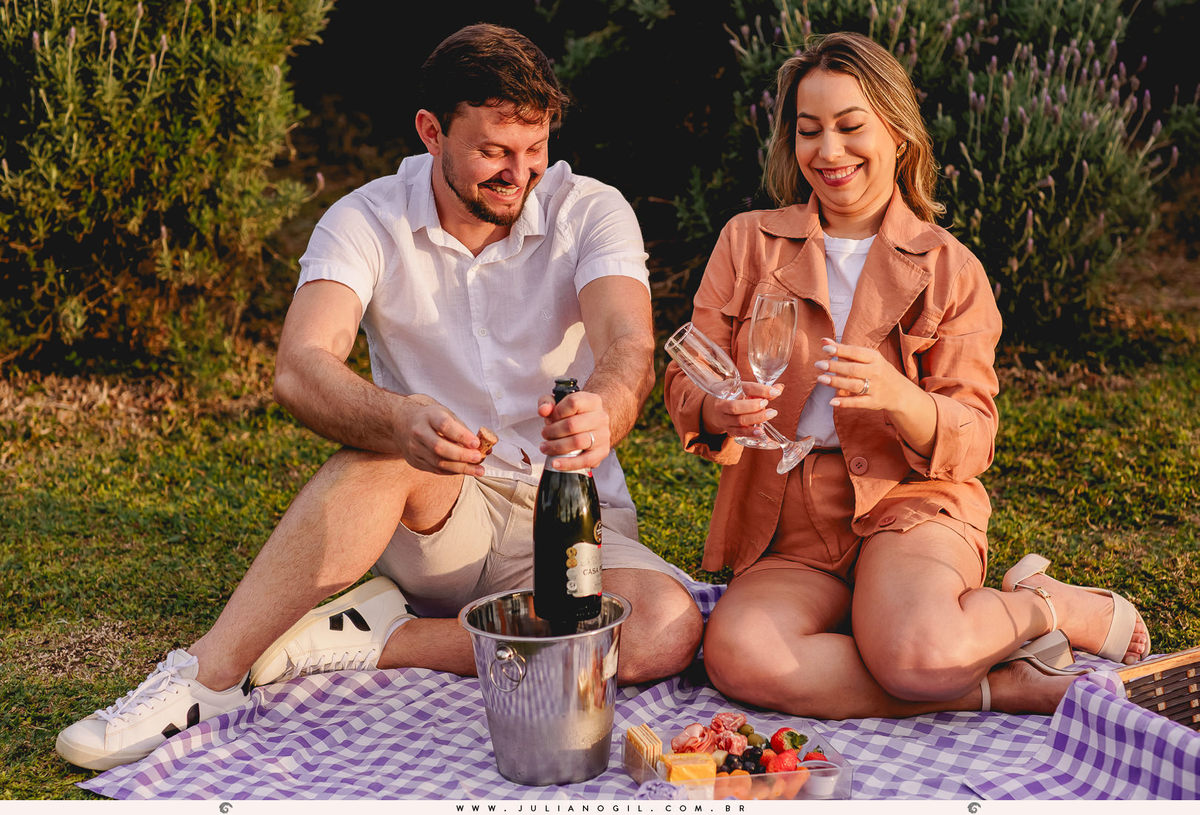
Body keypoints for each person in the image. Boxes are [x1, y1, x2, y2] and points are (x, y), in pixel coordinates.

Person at [57, 23, 703, 771]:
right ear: (432, 130)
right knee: (380, 455)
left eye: (534, 151)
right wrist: (398, 418)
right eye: (494, 151)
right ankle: (205, 678)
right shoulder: (365, 216)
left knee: (666, 627)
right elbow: (301, 366)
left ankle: (381, 638)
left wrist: (607, 405)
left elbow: (628, 346)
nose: (519, 174)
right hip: (438, 510)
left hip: (569, 518)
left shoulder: (591, 209)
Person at [664, 31, 1153, 719]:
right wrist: (720, 412)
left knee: (917, 653)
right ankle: (992, 685)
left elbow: (975, 435)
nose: (828, 152)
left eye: (849, 127)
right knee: (738, 652)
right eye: (809, 131)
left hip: (912, 503)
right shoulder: (748, 243)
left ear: (897, 132)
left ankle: (1049, 605)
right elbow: (690, 377)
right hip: (789, 523)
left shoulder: (951, 268)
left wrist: (902, 399)